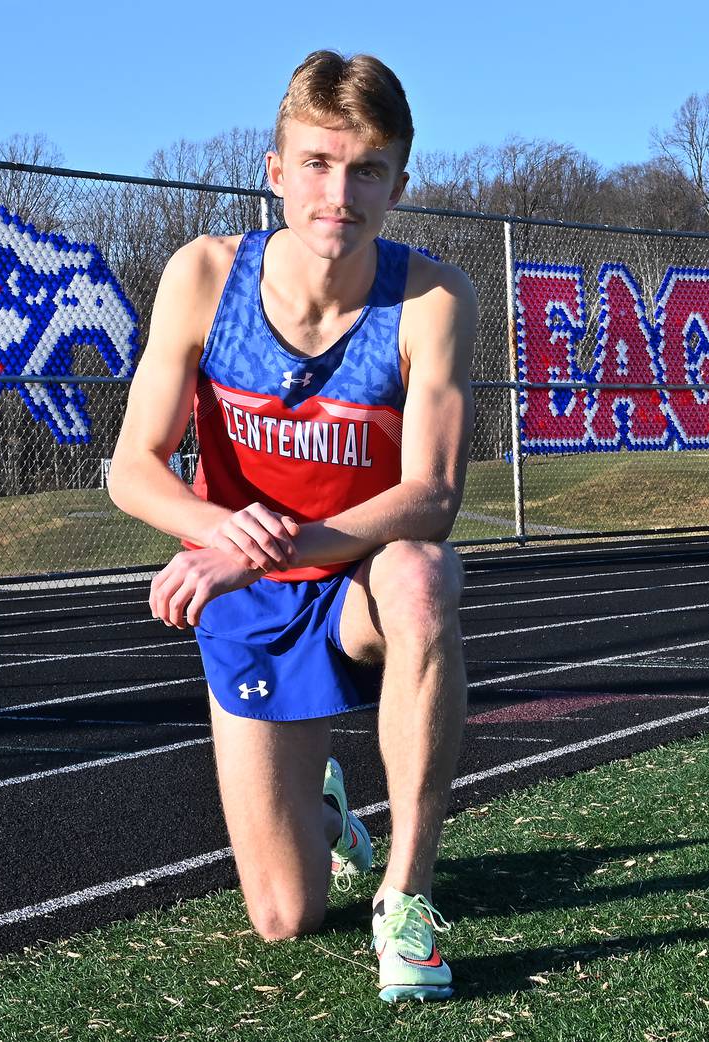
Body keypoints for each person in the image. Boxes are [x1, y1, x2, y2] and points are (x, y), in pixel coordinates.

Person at [109, 49, 476, 1002]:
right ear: (274, 170)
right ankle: (323, 810)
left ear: (400, 181)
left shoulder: (432, 300)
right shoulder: (203, 276)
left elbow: (431, 494)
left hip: (354, 579)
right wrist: (232, 540)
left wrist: (278, 543)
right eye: (316, 163)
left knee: (425, 576)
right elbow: (134, 469)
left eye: (365, 169)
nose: (338, 193)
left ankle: (408, 898)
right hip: (251, 591)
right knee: (284, 919)